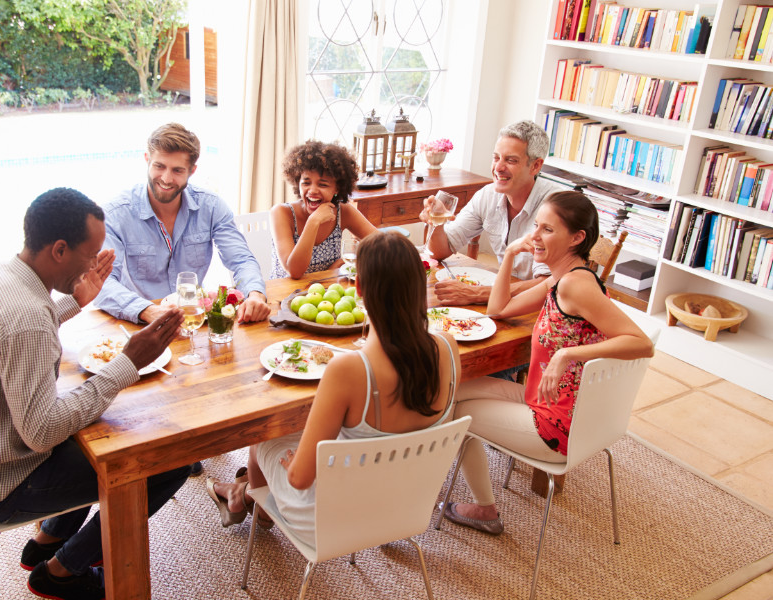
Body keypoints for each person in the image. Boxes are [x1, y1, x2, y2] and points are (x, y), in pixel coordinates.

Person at [0, 188, 191, 600]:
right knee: (168, 459)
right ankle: (61, 573)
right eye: (90, 255)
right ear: (58, 250)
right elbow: (42, 431)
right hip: (1, 484)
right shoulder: (28, 318)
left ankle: (49, 540)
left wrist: (74, 302)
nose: (96, 264)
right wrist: (128, 362)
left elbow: (13, 336)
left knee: (102, 430)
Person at [206, 232, 461, 545]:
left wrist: (295, 462)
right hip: (405, 508)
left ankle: (253, 503)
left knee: (264, 438)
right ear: (419, 284)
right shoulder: (448, 348)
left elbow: (299, 478)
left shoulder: (349, 369)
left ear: (359, 289)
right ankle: (241, 495)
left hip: (330, 520)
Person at [441, 191, 654, 534]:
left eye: (548, 230)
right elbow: (499, 309)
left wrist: (566, 354)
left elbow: (642, 343)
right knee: (454, 390)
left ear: (577, 238)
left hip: (558, 424)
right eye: (536, 227)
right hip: (553, 402)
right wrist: (511, 252)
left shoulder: (575, 286)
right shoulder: (562, 279)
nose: (536, 237)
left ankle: (484, 510)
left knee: (455, 413)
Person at [94, 122, 271, 325]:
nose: (166, 179)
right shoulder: (116, 214)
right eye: (159, 166)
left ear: (192, 170)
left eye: (177, 170)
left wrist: (255, 294)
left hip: (194, 320)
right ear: (147, 160)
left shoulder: (212, 206)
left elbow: (241, 260)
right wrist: (147, 310)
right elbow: (102, 283)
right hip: (138, 323)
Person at [420, 120, 563, 306]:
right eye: (496, 158)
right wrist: (436, 222)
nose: (498, 167)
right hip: (506, 296)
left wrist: (477, 293)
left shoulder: (555, 207)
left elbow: (549, 285)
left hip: (547, 307)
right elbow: (441, 250)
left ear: (535, 166)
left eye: (511, 160)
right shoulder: (488, 195)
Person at [271, 140, 379, 279]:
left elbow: (381, 243)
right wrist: (314, 221)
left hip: (328, 295)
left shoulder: (343, 212)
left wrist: (343, 262)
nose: (312, 190)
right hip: (284, 296)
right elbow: (295, 272)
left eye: (323, 184)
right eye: (306, 182)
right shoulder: (281, 213)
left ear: (337, 188)